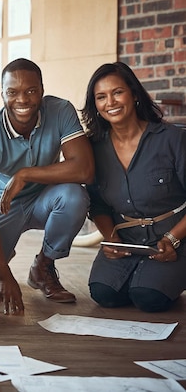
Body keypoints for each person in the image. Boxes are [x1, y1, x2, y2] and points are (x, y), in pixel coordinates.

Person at [0, 58, 95, 315]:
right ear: (2, 95)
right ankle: (2, 257)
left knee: (74, 196)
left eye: (31, 91)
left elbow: (85, 170)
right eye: (12, 92)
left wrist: (25, 174)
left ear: (42, 90)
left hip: (46, 197)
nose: (22, 100)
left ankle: (43, 267)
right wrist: (3, 274)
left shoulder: (60, 111)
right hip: (4, 205)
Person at [80, 62, 186, 312]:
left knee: (149, 297)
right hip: (128, 239)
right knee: (103, 293)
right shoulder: (94, 148)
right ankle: (148, 277)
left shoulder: (172, 139)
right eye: (101, 97)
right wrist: (111, 238)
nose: (111, 102)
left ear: (134, 95)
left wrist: (172, 239)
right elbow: (97, 203)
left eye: (117, 92)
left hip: (175, 237)